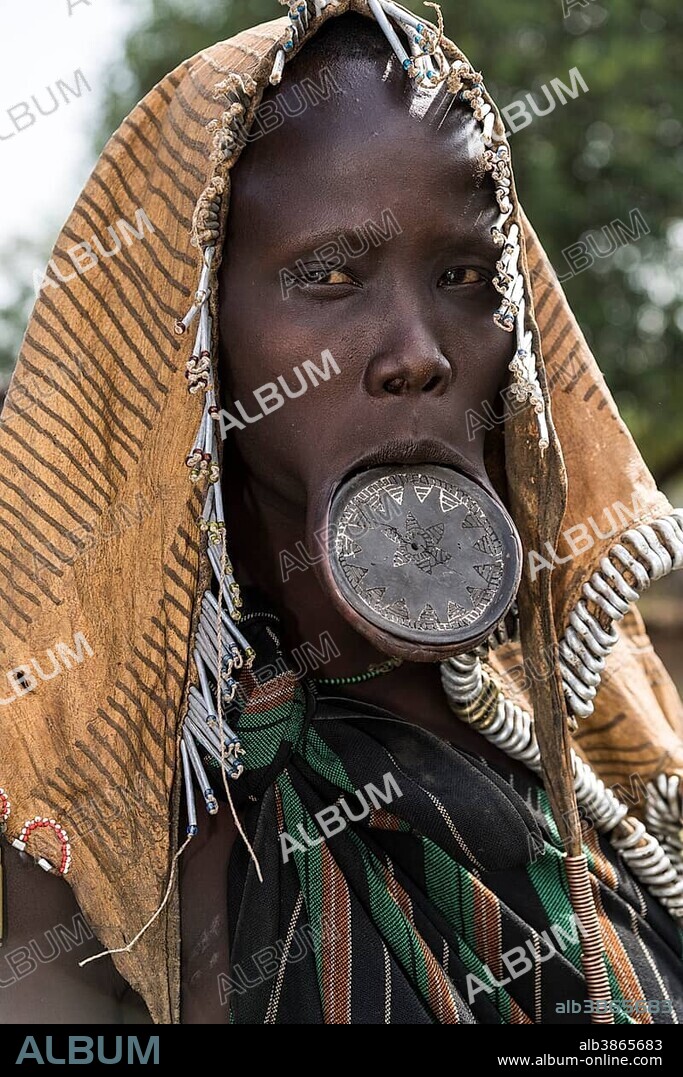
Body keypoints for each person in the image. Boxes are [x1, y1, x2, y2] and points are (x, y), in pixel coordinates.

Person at [1, 1, 682, 1025]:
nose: (419, 351)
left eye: (462, 277)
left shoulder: (583, 719)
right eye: (327, 275)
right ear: (193, 331)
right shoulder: (80, 815)